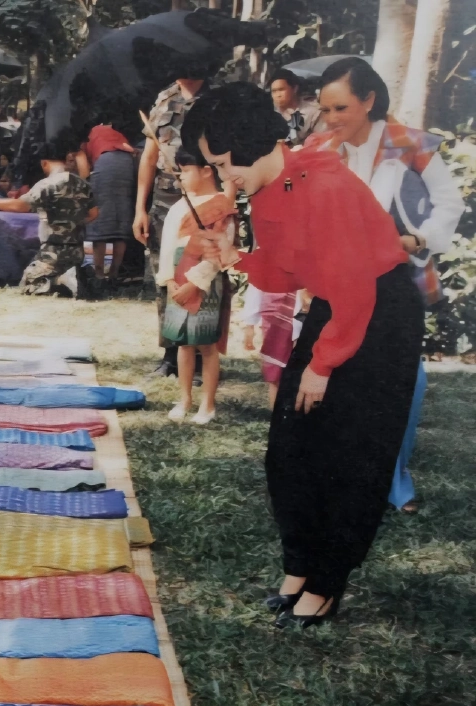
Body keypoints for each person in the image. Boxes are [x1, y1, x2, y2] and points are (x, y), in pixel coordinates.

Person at [183, 82, 425, 628]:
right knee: (290, 446)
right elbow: (288, 273)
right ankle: (299, 568)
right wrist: (234, 257)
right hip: (338, 305)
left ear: (248, 141)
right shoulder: (270, 187)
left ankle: (327, 582)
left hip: (379, 312)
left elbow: (358, 290)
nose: (224, 178)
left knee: (350, 455)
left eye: (223, 164)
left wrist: (323, 364)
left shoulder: (324, 185)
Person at [308, 57, 464, 513]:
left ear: (369, 100)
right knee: (338, 373)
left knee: (400, 378)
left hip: (398, 279)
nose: (332, 119)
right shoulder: (320, 148)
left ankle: (394, 477)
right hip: (337, 281)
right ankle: (339, 473)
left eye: (340, 108)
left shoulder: (409, 143)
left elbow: (449, 203)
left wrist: (417, 240)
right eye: (326, 109)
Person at [134, 70, 215, 376]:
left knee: (198, 275)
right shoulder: (164, 99)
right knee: (165, 274)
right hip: (165, 201)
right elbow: (148, 156)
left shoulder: (218, 100)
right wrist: (140, 209)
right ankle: (171, 353)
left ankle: (199, 355)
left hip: (204, 199)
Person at [156, 148, 235, 425]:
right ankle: (185, 398)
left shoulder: (221, 205)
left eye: (187, 170)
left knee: (205, 344)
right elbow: (167, 247)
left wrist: (194, 283)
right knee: (183, 343)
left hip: (205, 281)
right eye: (179, 171)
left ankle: (208, 404)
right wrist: (168, 279)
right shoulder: (180, 206)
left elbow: (217, 254)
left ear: (206, 171)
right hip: (177, 278)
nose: (181, 177)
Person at [0, 138, 98, 297]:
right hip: (76, 251)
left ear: (44, 163)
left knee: (29, 283)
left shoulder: (47, 184)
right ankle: (76, 276)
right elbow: (94, 214)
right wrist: (71, 223)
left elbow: (21, 205)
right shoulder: (83, 184)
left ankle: (61, 280)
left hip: (53, 253)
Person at [77, 124, 136, 280]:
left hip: (105, 164)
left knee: (100, 218)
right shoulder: (110, 133)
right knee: (121, 217)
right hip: (128, 163)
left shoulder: (84, 138)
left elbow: (83, 172)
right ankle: (114, 274)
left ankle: (99, 275)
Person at [270, 68, 322, 146]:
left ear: (295, 89)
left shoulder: (313, 113)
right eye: (274, 91)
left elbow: (320, 142)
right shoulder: (268, 113)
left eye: (281, 89)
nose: (278, 95)